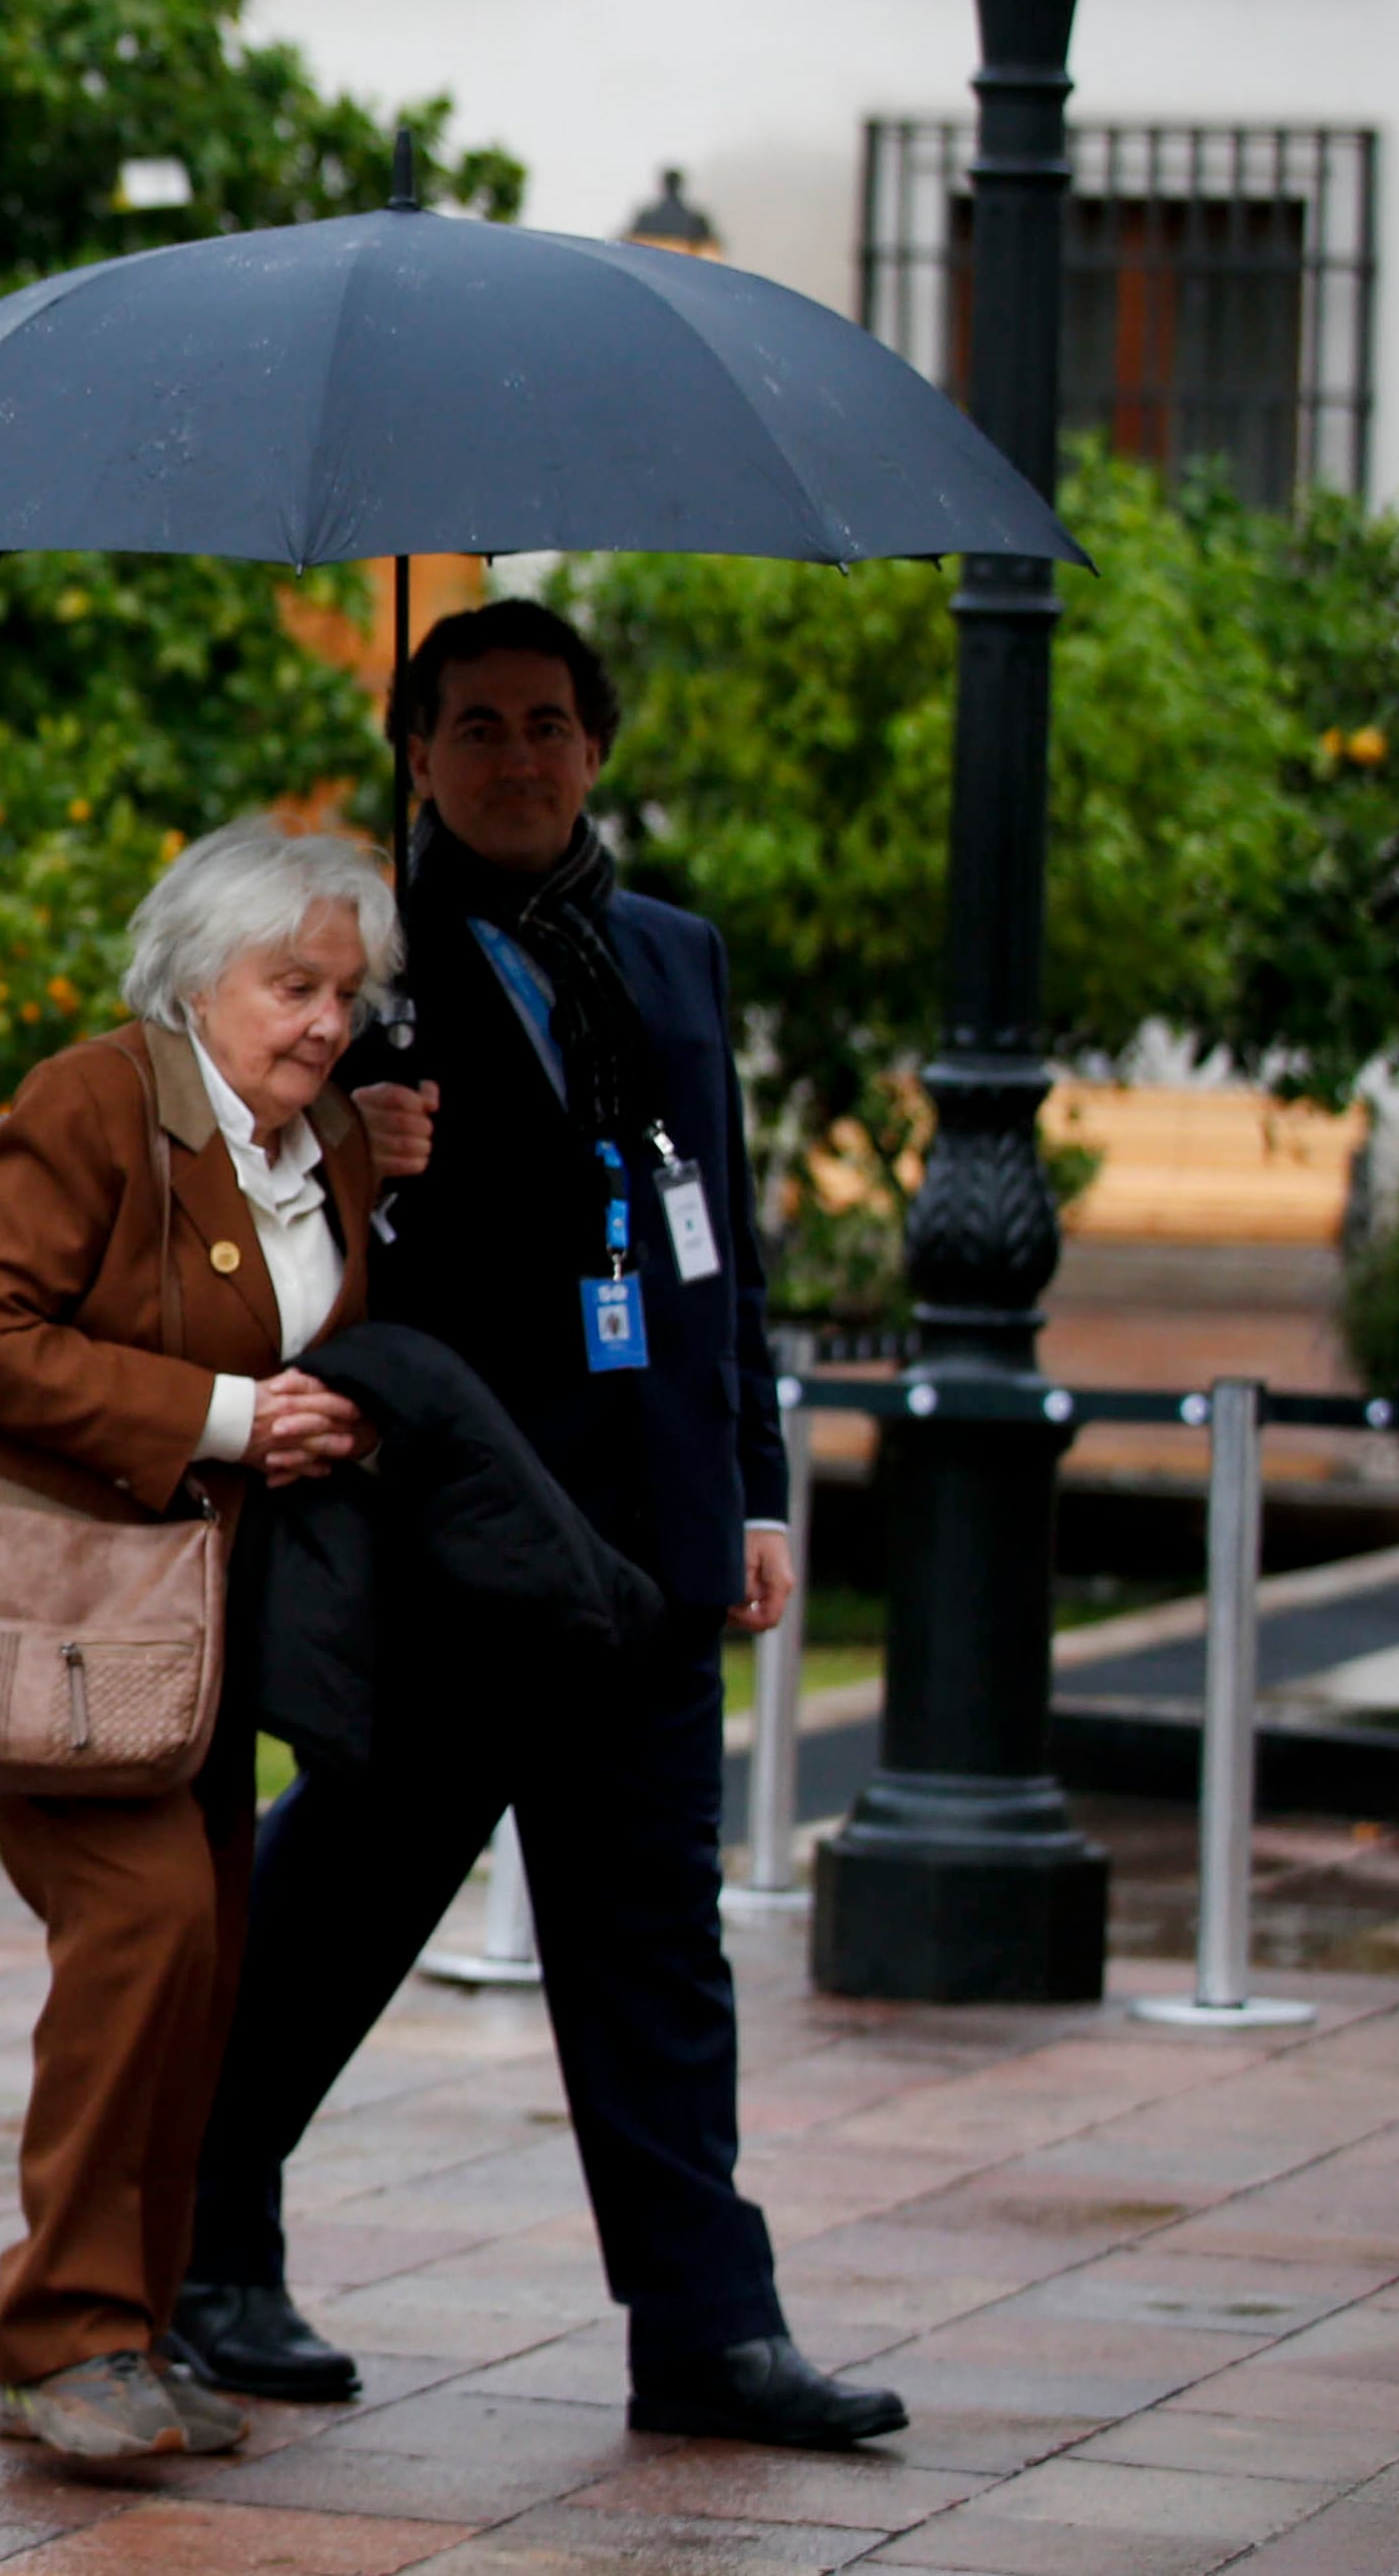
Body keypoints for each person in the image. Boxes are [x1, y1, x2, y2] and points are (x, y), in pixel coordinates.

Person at [175, 599, 908, 2451]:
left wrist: (746, 1485)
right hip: (447, 1539)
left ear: (597, 746)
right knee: (330, 1914)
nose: (518, 757)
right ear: (419, 755)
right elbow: (241, 1215)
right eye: (478, 725)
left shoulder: (671, 958)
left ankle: (709, 2332)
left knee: (657, 1947)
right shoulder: (355, 969)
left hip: (646, 1553)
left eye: (549, 724)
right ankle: (203, 2246)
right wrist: (358, 1145)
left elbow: (714, 1247)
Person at [0, 816, 411, 2464]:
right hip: (57, 1620)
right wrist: (230, 1417)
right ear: (193, 978)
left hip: (210, 1634)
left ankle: (133, 2329)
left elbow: (329, 1336)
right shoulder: (96, 1099)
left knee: (205, 1963)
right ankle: (61, 2337)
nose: (321, 1019)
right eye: (288, 983)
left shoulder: (331, 1146)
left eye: (345, 992)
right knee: (149, 1927)